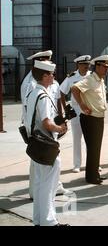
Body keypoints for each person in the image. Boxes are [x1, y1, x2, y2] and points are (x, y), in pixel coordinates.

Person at [21, 50, 71, 199]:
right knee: (40, 162)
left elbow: (54, 102)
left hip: (47, 129)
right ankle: (36, 192)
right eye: (46, 62)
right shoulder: (30, 83)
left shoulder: (48, 83)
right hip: (39, 131)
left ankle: (53, 188)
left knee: (46, 163)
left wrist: (60, 121)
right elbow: (29, 108)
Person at [71, 55, 108, 185]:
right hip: (90, 118)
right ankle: (91, 177)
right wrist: (82, 104)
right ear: (97, 67)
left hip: (98, 117)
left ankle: (94, 173)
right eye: (104, 67)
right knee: (93, 147)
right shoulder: (90, 79)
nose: (107, 69)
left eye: (107, 67)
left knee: (96, 148)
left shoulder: (100, 80)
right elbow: (74, 88)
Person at [59, 55, 91, 173]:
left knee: (90, 138)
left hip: (89, 109)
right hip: (77, 110)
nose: (87, 66)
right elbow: (61, 92)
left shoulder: (92, 76)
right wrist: (66, 109)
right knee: (77, 138)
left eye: (88, 64)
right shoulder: (72, 77)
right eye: (84, 64)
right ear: (78, 65)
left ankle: (92, 163)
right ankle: (77, 164)